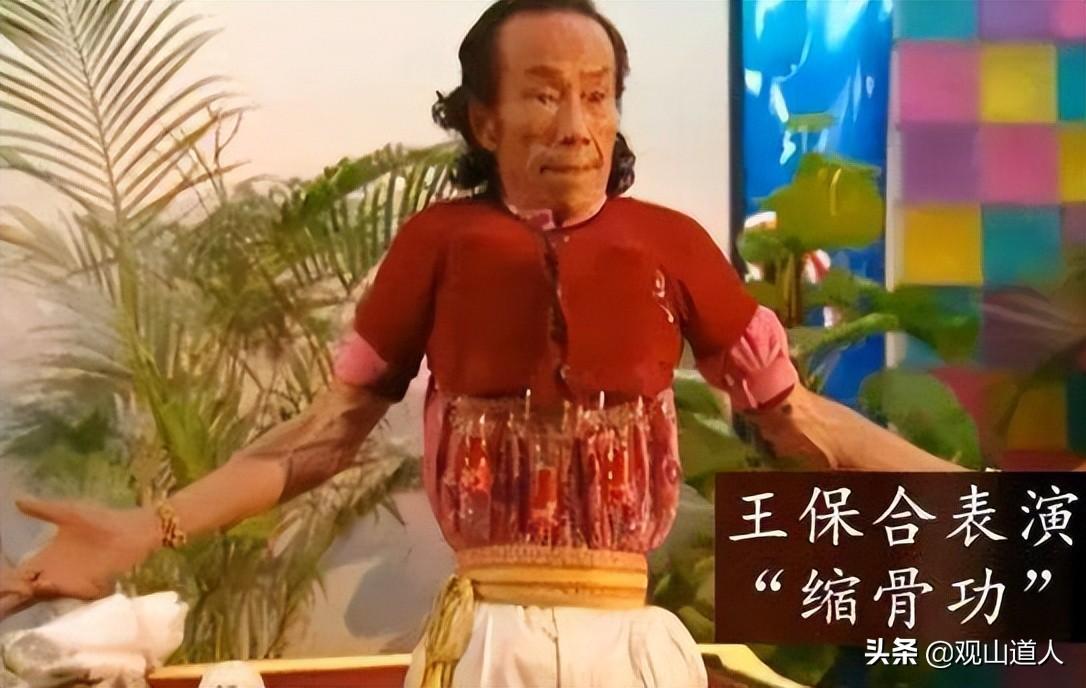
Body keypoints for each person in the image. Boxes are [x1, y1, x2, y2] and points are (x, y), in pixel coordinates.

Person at [0, 1, 964, 685]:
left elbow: (799, 421)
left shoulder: (672, 246)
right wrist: (143, 529)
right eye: (543, 96)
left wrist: (984, 512)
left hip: (633, 649)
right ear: (484, 119)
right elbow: (322, 438)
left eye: (599, 95)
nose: (577, 126)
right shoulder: (436, 243)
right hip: (485, 648)